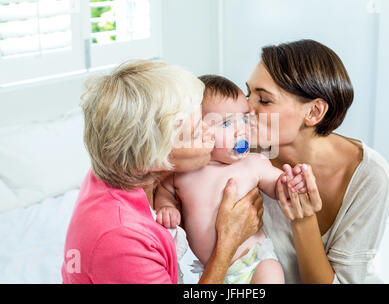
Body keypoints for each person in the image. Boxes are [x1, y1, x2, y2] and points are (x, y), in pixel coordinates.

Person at [61, 60, 264, 284]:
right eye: (197, 133)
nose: (211, 134)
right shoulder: (122, 239)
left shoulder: (121, 161)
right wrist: (226, 245)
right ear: (154, 156)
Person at [246, 39, 389, 284]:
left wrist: (303, 220)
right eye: (247, 93)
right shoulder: (243, 153)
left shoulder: (368, 175)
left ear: (314, 112)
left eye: (264, 100)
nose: (245, 107)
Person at [154, 75, 305, 284]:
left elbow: (276, 184)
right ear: (198, 129)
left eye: (244, 119)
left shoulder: (253, 163)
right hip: (213, 271)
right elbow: (164, 191)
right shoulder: (184, 173)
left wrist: (289, 183)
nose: (241, 129)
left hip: (255, 262)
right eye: (226, 123)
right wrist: (166, 206)